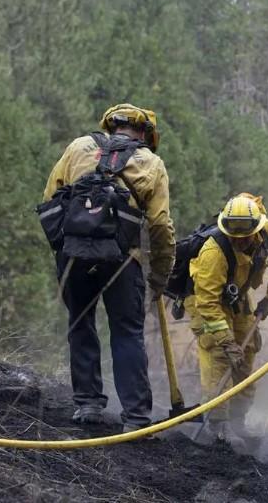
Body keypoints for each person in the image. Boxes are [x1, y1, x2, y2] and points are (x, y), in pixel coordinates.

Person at [42, 104, 175, 429]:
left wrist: (63, 251)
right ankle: (136, 416)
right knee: (127, 334)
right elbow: (159, 225)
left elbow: (50, 197)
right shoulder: (151, 163)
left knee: (81, 323)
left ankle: (87, 404)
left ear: (109, 126)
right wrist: (160, 274)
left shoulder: (77, 147)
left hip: (73, 255)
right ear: (146, 134)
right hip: (123, 261)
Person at [187, 194, 268, 445]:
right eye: (234, 237)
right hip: (207, 303)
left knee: (245, 359)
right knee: (220, 357)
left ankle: (237, 421)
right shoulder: (213, 252)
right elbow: (208, 304)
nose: (240, 241)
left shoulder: (267, 233)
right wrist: (226, 341)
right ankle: (218, 425)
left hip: (238, 298)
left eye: (245, 236)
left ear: (255, 228)